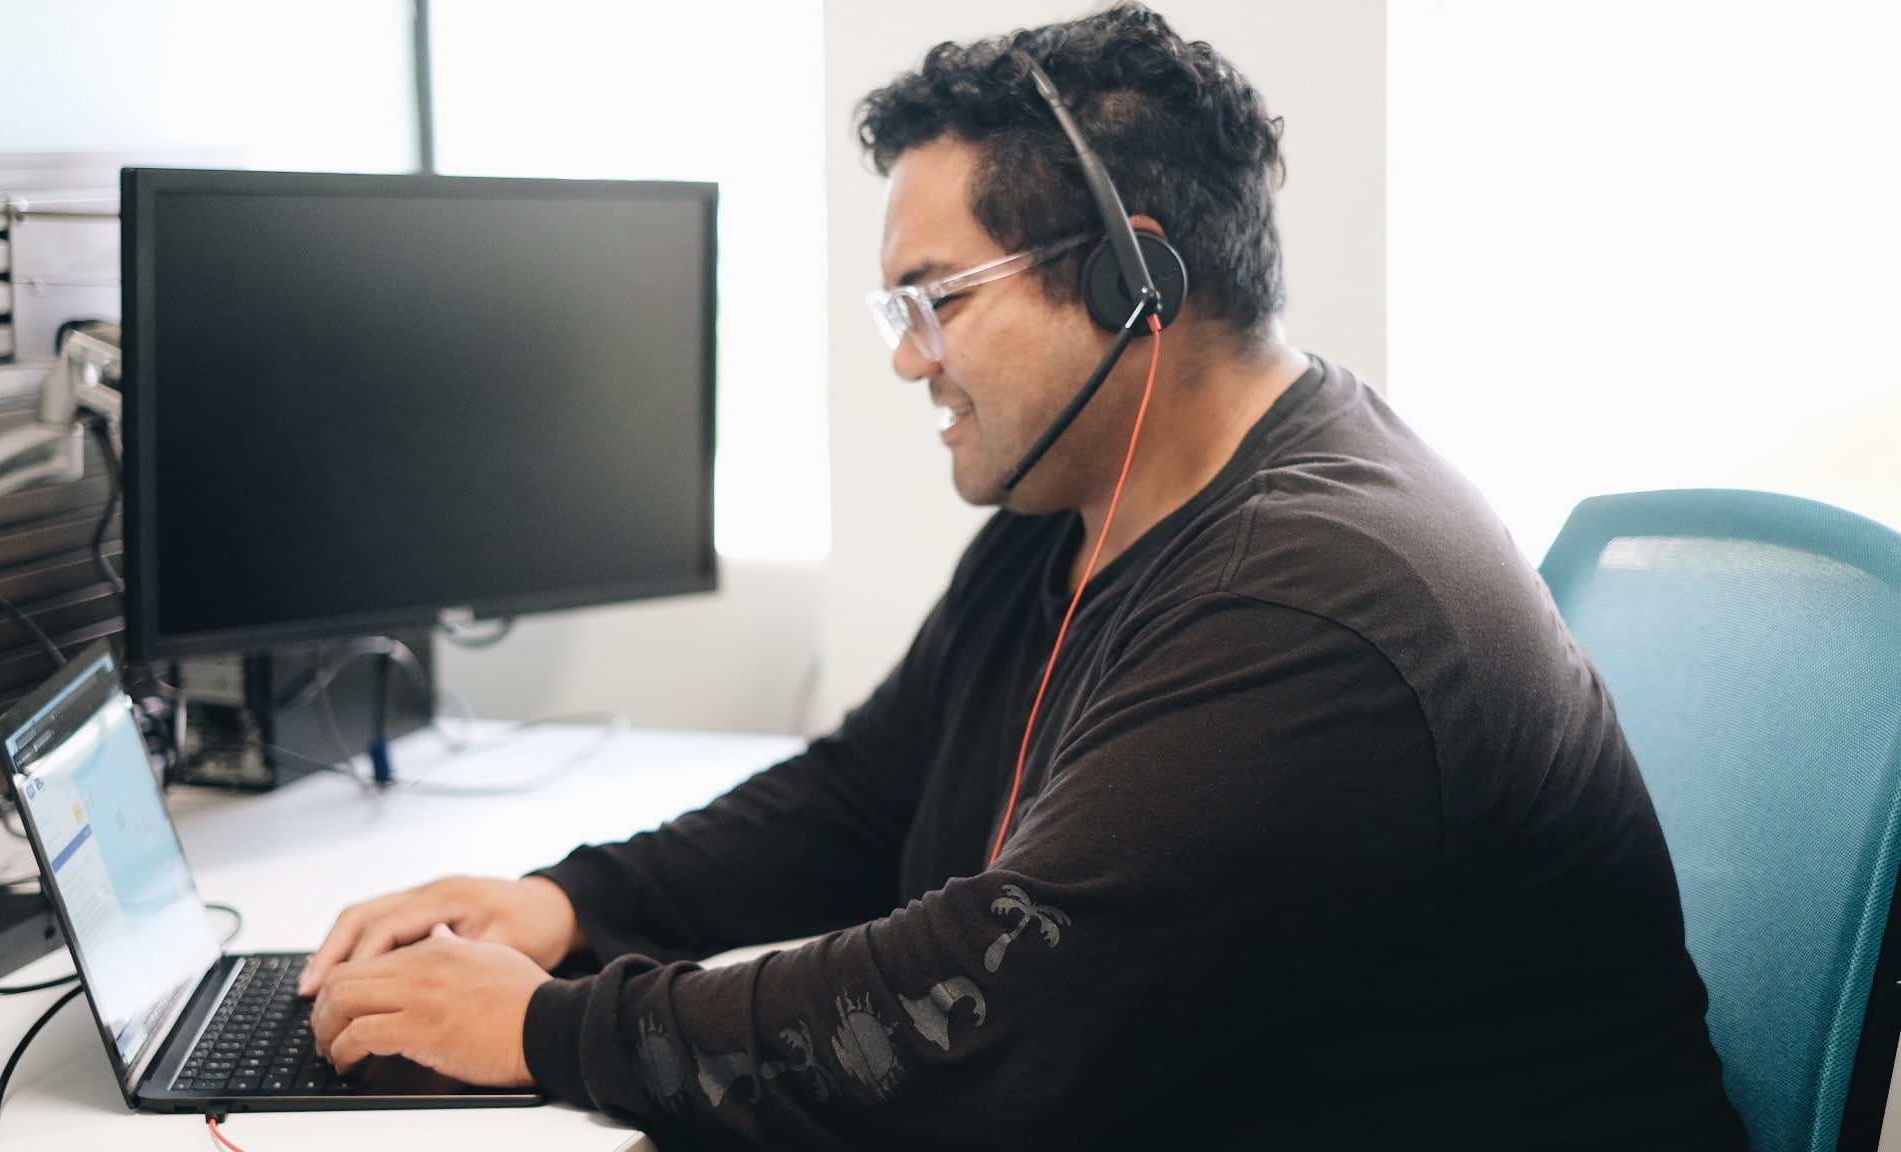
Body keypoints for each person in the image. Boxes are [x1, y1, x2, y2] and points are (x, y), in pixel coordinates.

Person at [302, 6, 1748, 1148]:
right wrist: (562, 906)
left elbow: (980, 1026)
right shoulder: (1082, 504)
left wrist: (550, 1033)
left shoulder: (1319, 601)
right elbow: (866, 797)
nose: (905, 356)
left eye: (936, 302)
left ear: (1138, 282)